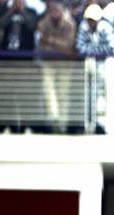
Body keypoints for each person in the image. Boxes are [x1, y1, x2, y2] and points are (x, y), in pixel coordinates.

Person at [37, 1, 76, 133]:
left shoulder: (69, 24)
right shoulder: (43, 23)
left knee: (63, 94)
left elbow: (69, 47)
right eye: (51, 10)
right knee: (48, 91)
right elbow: (42, 46)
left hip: (65, 64)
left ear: (61, 10)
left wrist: (50, 41)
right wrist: (57, 46)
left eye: (56, 10)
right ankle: (53, 121)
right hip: (48, 63)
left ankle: (62, 125)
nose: (54, 13)